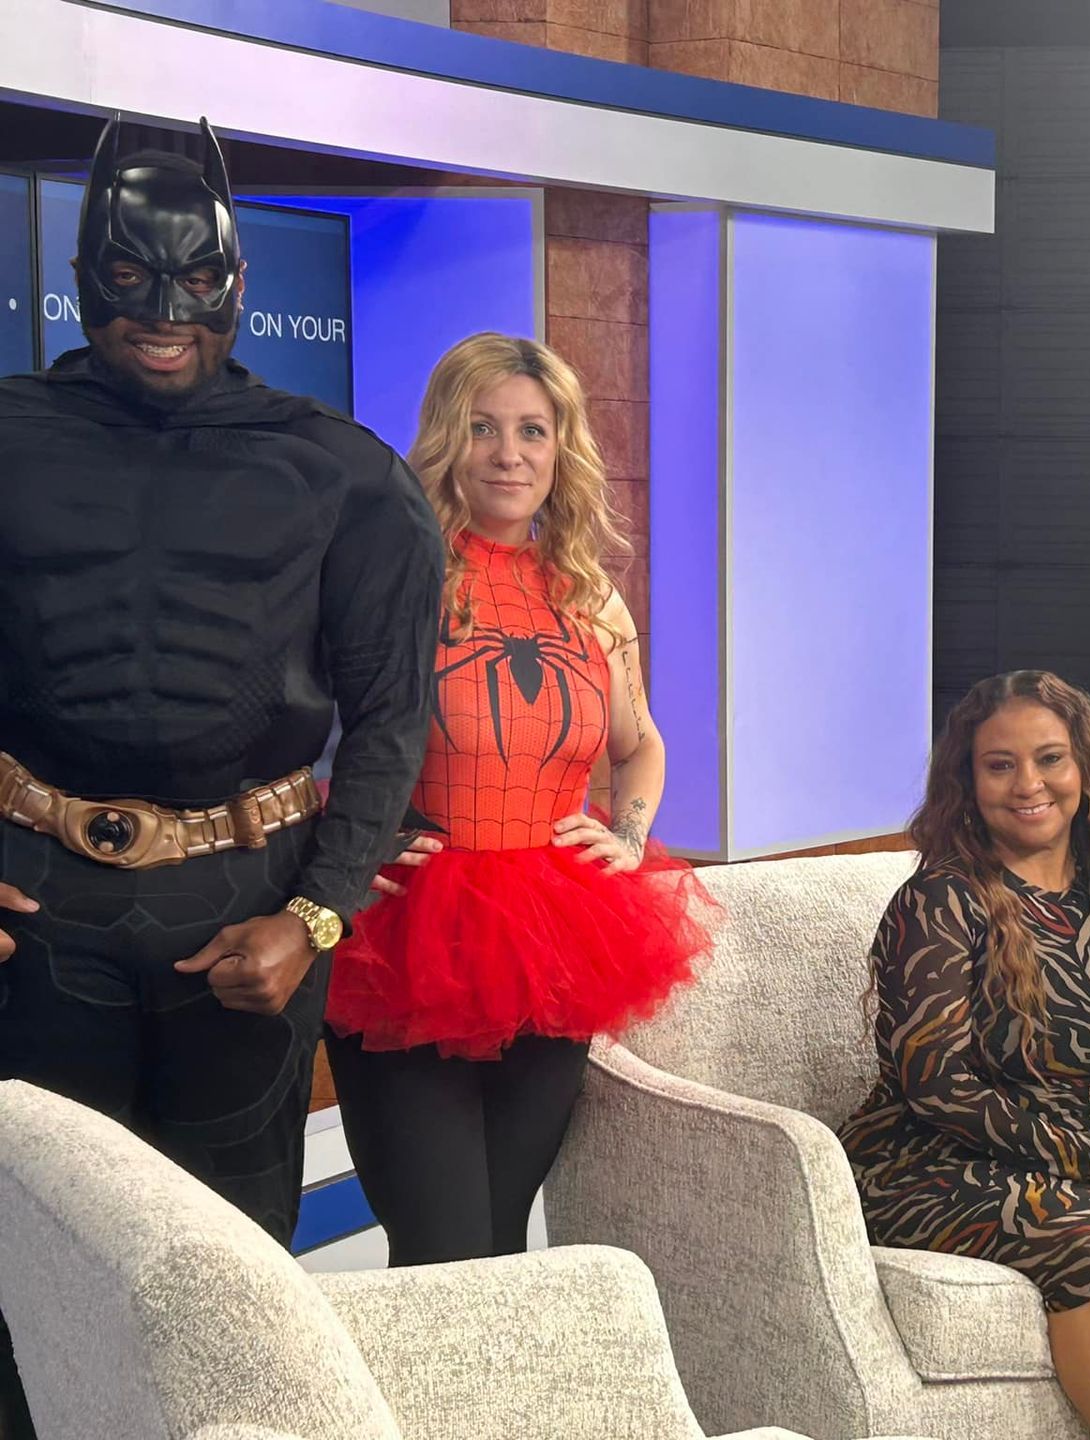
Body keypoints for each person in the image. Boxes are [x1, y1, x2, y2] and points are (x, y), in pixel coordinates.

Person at [0, 116, 442, 1432]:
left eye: (198, 278)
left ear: (239, 281)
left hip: (246, 913)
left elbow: (392, 719)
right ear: (85, 272)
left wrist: (316, 917)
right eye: (132, 276)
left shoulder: (342, 475)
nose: (166, 311)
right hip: (38, 913)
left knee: (230, 1272)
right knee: (33, 1257)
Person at [322, 332, 712, 1267]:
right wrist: (347, 840)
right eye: (484, 428)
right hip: (408, 934)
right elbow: (308, 735)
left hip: (557, 936)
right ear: (447, 441)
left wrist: (627, 833)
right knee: (441, 1244)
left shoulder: (590, 598)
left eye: (533, 431)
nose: (509, 453)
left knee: (501, 1240)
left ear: (560, 449)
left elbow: (642, 741)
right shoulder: (392, 582)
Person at [838, 670, 1090, 1440]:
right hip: (931, 1160)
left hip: (1076, 1162)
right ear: (968, 781)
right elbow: (935, 1085)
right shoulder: (941, 899)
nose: (1028, 783)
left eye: (1050, 759)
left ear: (1086, 771)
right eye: (1000, 765)